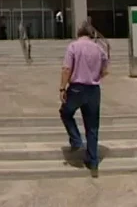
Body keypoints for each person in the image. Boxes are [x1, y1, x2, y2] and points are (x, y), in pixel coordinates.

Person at [58, 21, 109, 178]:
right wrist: (94, 77)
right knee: (92, 126)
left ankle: (76, 139)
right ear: (91, 34)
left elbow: (67, 69)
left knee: (65, 112)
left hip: (77, 88)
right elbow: (105, 71)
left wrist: (62, 88)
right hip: (93, 90)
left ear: (79, 33)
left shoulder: (73, 47)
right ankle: (93, 161)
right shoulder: (99, 48)